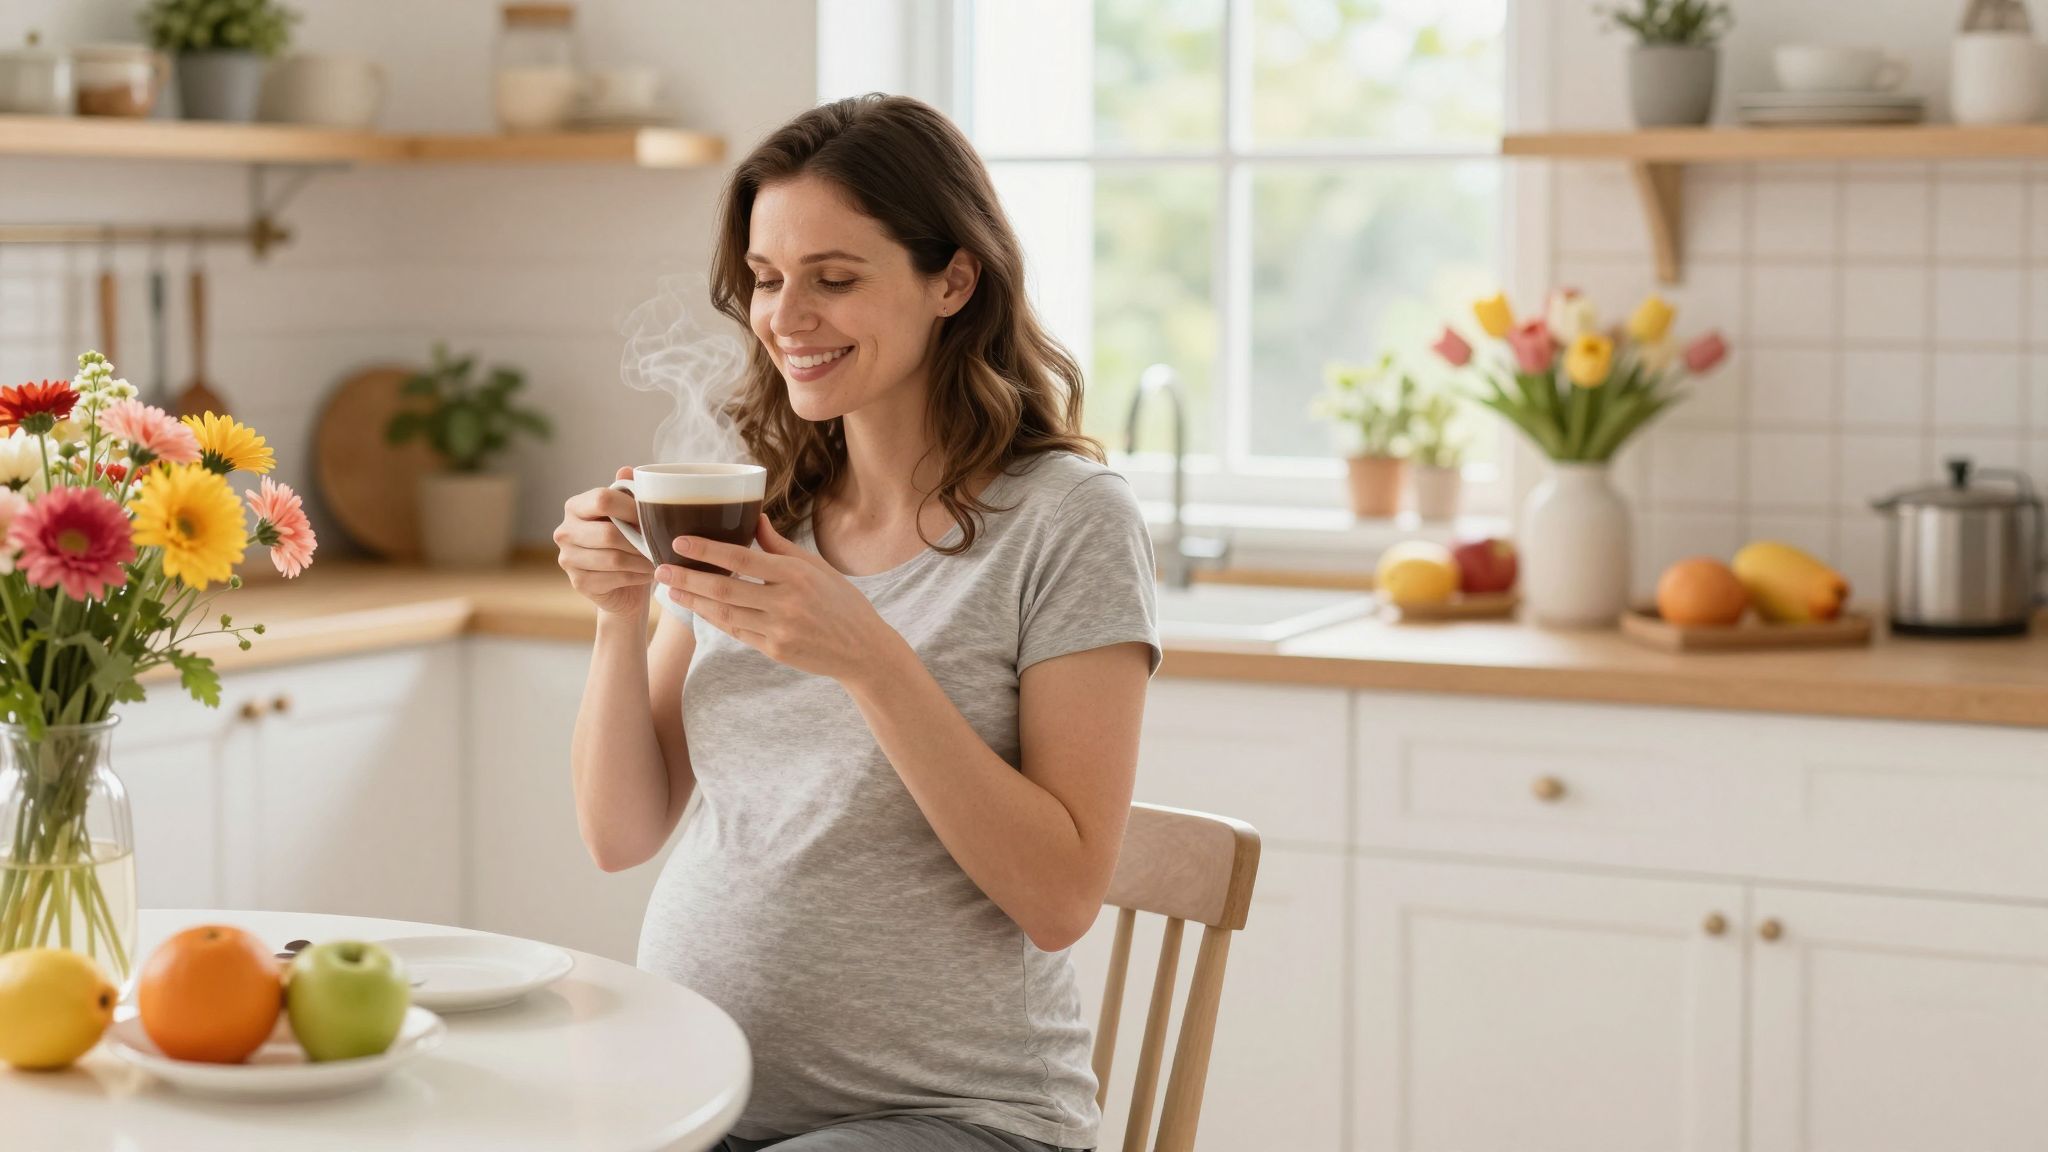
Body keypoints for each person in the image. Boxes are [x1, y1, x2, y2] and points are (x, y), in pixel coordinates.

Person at [553, 94, 1160, 1152]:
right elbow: (622, 833)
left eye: (833, 280)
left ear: (952, 281)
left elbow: (1060, 898)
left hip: (954, 1118)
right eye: (766, 279)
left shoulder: (1068, 520)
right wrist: (618, 615)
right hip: (697, 1094)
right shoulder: (762, 510)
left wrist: (870, 660)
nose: (786, 317)